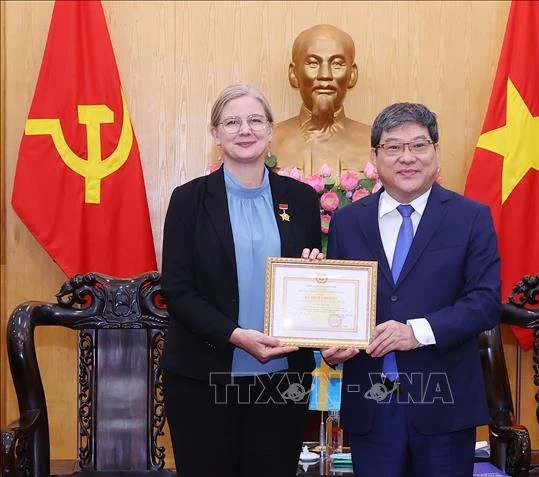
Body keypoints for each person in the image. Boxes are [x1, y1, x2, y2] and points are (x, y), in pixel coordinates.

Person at [323, 102, 501, 477]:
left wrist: (416, 332)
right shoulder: (347, 222)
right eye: (393, 147)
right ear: (375, 156)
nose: (407, 157)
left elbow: (484, 303)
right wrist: (332, 345)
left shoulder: (471, 217)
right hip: (371, 406)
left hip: (444, 404)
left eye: (419, 145)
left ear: (436, 152)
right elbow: (338, 306)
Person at [160, 83, 323, 477]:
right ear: (215, 134)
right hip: (204, 376)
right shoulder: (188, 200)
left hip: (283, 379)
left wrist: (314, 272)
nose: (244, 130)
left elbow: (309, 278)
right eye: (231, 122)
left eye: (255, 120)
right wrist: (236, 334)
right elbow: (177, 291)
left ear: (271, 130)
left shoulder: (300, 199)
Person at [271, 24, 370, 177]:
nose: (325, 75)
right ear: (294, 74)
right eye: (313, 63)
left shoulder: (373, 143)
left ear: (352, 74)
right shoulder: (268, 142)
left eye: (337, 64)